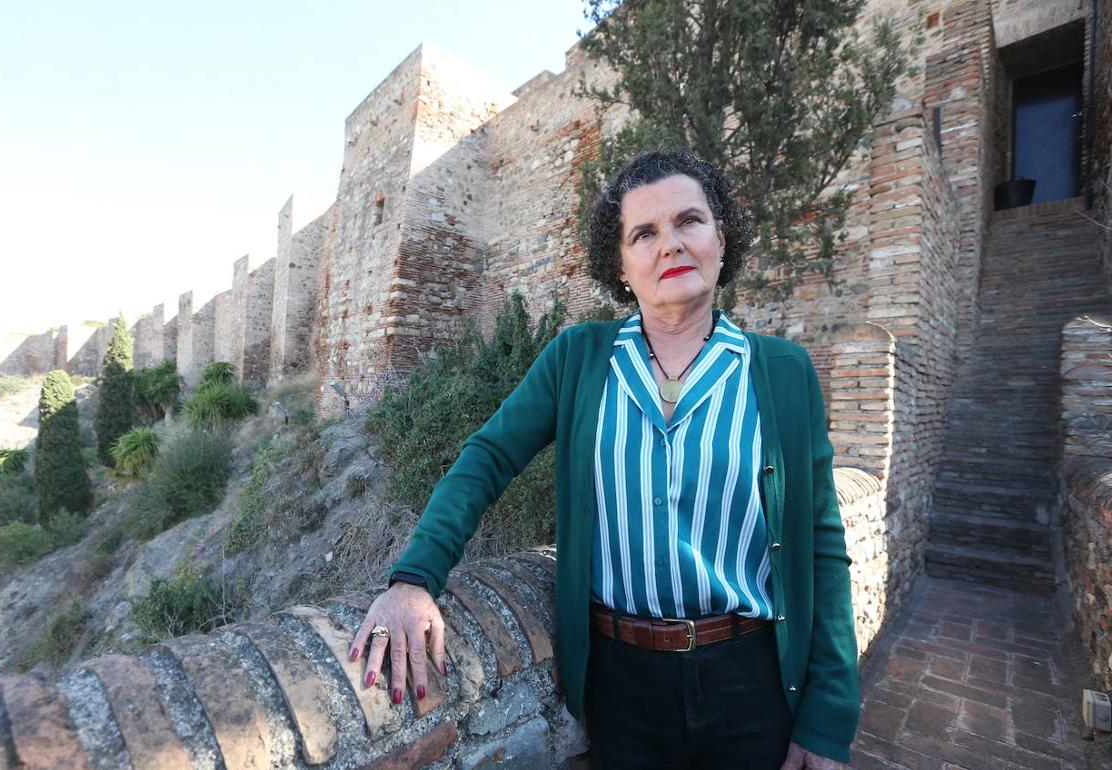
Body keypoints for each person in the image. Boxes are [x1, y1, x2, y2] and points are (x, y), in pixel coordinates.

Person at [349, 149, 859, 769]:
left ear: (721, 241)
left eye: (689, 222)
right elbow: (488, 457)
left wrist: (829, 717)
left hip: (752, 680)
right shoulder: (578, 359)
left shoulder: (781, 370)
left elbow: (822, 544)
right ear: (620, 267)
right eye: (643, 233)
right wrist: (413, 578)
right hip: (621, 684)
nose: (669, 245)